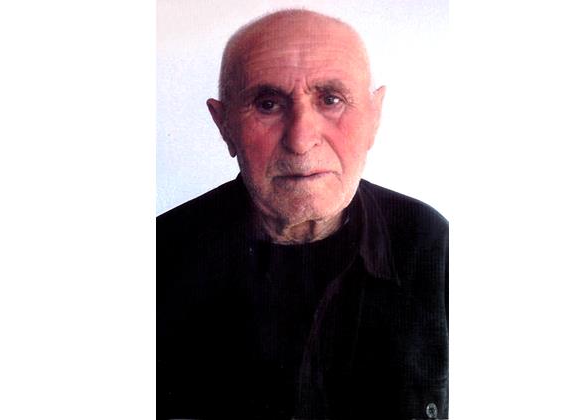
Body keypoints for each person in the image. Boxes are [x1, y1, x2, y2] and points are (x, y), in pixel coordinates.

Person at [157, 9, 448, 420]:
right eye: (268, 104)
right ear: (224, 126)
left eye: (331, 100)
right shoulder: (161, 256)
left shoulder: (431, 244)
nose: (300, 139)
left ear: (374, 117)